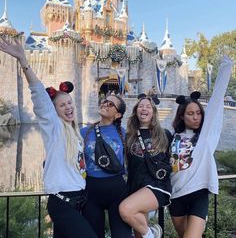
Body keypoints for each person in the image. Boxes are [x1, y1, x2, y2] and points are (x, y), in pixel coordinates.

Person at [0, 36, 97, 238]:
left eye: (69, 103)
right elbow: (40, 96)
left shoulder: (74, 133)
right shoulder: (54, 128)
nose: (68, 107)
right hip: (63, 203)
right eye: (62, 105)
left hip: (79, 200)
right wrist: (23, 62)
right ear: (53, 111)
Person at [169, 56, 233, 238]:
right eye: (190, 113)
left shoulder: (206, 137)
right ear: (182, 116)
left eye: (198, 113)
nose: (196, 117)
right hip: (176, 196)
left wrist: (225, 69)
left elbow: (215, 102)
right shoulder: (171, 136)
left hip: (198, 194)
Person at [119, 94, 172, 238]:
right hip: (136, 186)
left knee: (125, 209)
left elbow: (176, 158)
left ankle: (152, 234)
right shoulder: (129, 136)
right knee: (138, 233)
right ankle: (148, 234)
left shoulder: (165, 134)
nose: (144, 109)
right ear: (136, 111)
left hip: (157, 185)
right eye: (141, 106)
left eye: (148, 106)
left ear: (153, 112)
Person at [80, 96, 132, 238]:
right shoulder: (84, 132)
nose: (105, 104)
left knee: (122, 235)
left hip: (117, 190)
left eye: (111, 104)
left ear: (118, 115)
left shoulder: (123, 133)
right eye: (104, 101)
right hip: (91, 192)